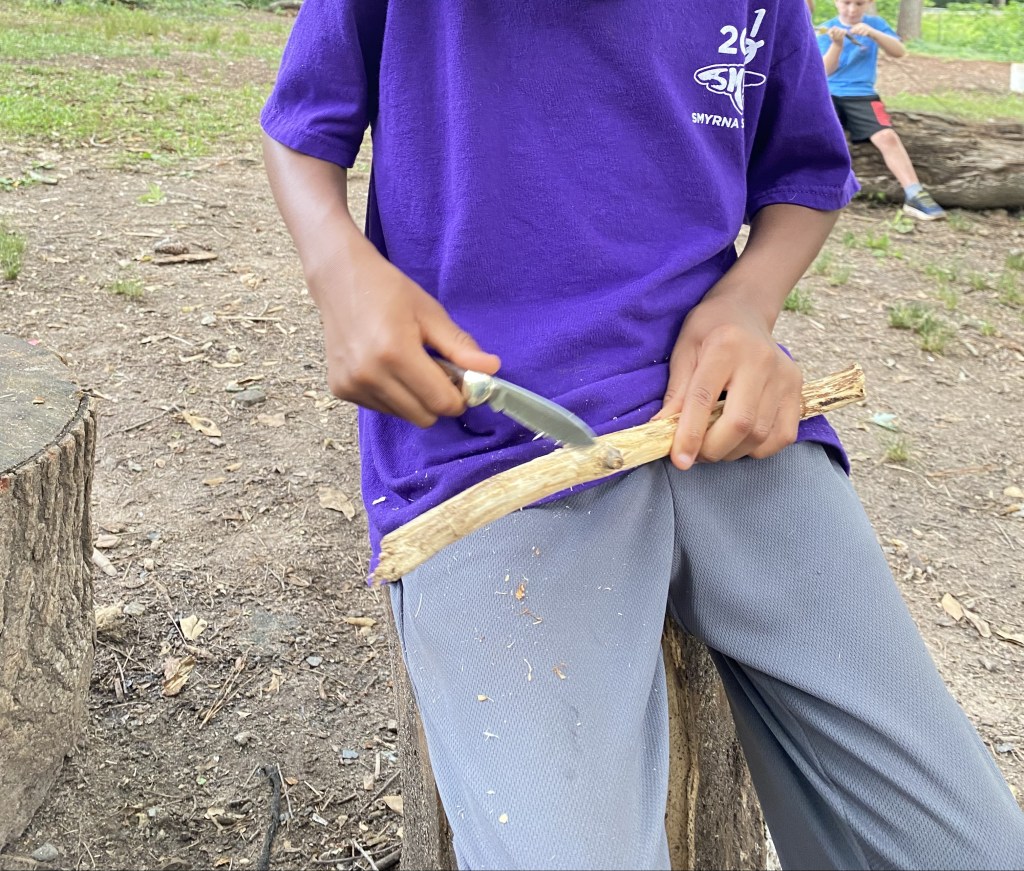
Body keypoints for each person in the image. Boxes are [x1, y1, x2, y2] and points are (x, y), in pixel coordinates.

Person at [261, 1, 1024, 868]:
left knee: (968, 845)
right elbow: (299, 126)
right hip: (491, 452)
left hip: (728, 422)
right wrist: (338, 270)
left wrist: (747, 304)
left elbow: (803, 172)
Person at [818, 0, 947, 220]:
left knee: (887, 136)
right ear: (835, 2)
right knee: (818, 138)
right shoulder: (825, 28)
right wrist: (836, 45)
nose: (851, 9)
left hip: (862, 95)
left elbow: (899, 52)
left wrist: (874, 34)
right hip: (827, 94)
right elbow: (823, 71)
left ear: (869, 3)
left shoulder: (876, 24)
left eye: (859, 4)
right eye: (846, 3)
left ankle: (915, 193)